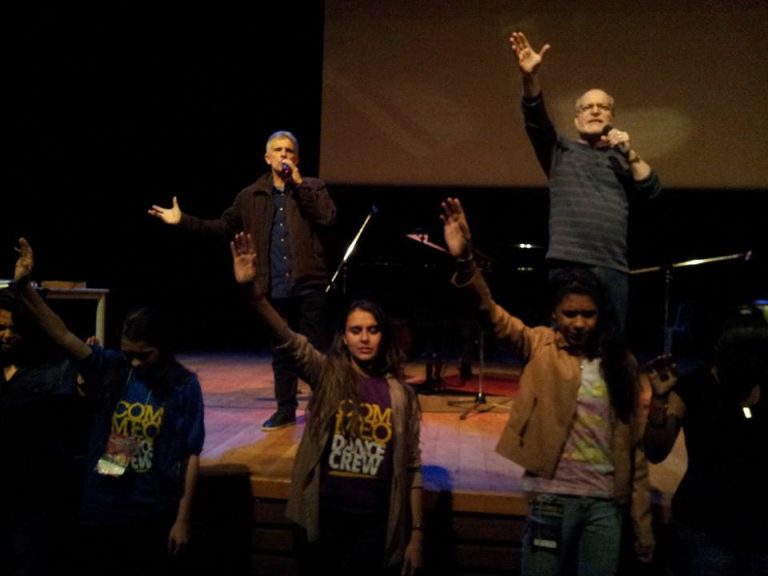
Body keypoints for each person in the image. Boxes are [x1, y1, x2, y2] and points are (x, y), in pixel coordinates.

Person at [440, 197, 654, 575]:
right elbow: (491, 314)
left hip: (605, 504)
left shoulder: (620, 363)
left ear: (600, 315)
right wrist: (465, 261)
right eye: (570, 314)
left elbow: (633, 449)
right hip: (551, 498)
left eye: (588, 314)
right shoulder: (538, 345)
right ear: (554, 314)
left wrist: (643, 525)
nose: (579, 323)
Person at [230, 231, 423, 575]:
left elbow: (412, 466)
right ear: (344, 338)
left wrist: (417, 535)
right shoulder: (327, 374)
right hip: (325, 522)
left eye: (372, 330)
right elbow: (289, 340)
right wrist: (255, 295)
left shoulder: (400, 395)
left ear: (383, 335)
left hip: (375, 526)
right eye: (356, 330)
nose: (364, 338)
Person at [13, 238, 205, 576]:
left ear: (163, 346)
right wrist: (25, 287)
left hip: (152, 511)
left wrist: (183, 519)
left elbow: (191, 455)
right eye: (129, 353)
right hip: (103, 509)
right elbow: (62, 335)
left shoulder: (183, 386)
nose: (135, 362)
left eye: (144, 355)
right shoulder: (113, 368)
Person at [149, 130, 337, 431]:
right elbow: (222, 227)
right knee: (282, 351)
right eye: (278, 150)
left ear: (297, 158)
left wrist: (300, 184)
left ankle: (324, 407)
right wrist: (183, 221)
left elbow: (327, 218)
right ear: (267, 157)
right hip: (272, 284)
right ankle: (285, 409)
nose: (284, 155)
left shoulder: (313, 187)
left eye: (289, 151)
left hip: (309, 282)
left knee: (316, 349)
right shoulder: (250, 195)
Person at [509, 32, 662, 331]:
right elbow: (535, 117)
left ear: (612, 117)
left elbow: (652, 192)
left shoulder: (623, 158)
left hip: (611, 266)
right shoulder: (559, 150)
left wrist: (629, 153)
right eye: (587, 107)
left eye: (602, 107)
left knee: (610, 346)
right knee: (564, 347)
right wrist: (529, 77)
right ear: (577, 119)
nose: (594, 111)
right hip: (567, 263)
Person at [643, 305, 768, 576]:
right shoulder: (696, 385)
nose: (753, 360)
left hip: (758, 530)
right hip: (704, 525)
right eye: (745, 350)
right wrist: (660, 398)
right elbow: (655, 450)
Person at [0, 287, 87, 575]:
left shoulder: (55, 370)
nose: (7, 335)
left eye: (16, 329)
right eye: (1, 327)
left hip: (35, 494)